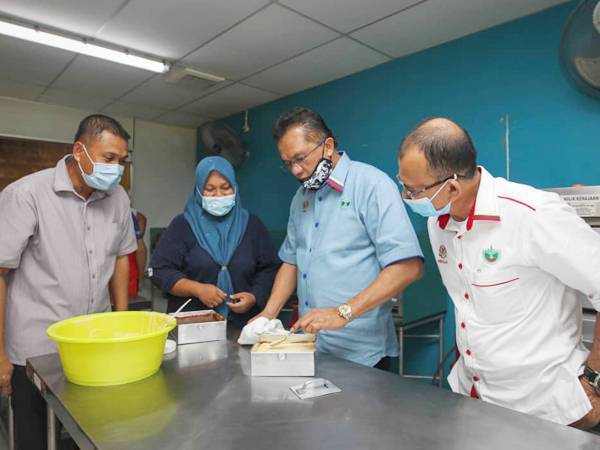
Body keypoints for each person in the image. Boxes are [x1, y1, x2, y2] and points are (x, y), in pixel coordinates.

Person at [396, 117, 600, 428]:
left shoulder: (533, 215)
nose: (406, 198)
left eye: (413, 191)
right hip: (473, 396)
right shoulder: (438, 223)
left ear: (452, 187)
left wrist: (595, 381)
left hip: (545, 408)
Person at [0, 114, 136, 449]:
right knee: (33, 439)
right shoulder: (27, 195)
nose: (117, 169)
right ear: (79, 151)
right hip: (35, 352)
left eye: (122, 161)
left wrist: (121, 324)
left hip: (93, 350)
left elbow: (121, 257)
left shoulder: (118, 198)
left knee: (86, 437)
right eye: (109, 158)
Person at [253, 107, 423, 369]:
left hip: (362, 353)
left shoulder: (371, 185)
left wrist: (344, 312)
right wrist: (267, 315)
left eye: (300, 158)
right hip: (312, 345)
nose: (296, 170)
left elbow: (408, 266)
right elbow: (291, 261)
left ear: (328, 146)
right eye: (288, 163)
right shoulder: (300, 199)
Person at [149, 156, 280, 327]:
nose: (218, 195)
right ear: (198, 191)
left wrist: (254, 296)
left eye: (225, 188)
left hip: (243, 325)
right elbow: (159, 270)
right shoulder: (182, 226)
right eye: (209, 189)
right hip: (192, 326)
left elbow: (269, 268)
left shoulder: (251, 225)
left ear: (235, 187)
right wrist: (197, 289)